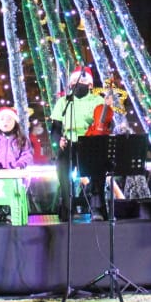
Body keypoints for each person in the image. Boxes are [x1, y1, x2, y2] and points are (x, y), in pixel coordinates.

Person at [48, 67, 105, 220]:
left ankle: (97, 208)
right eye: (73, 81)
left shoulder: (98, 101)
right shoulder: (63, 101)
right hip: (68, 142)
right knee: (62, 167)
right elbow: (55, 128)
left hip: (89, 141)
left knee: (97, 170)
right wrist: (58, 140)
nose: (77, 83)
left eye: (81, 81)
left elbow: (104, 124)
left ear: (90, 85)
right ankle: (67, 208)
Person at [0, 105, 33, 170]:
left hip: (17, 174)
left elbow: (27, 155)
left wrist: (20, 165)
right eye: (2, 119)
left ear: (15, 122)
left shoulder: (22, 139)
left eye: (9, 119)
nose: (6, 122)